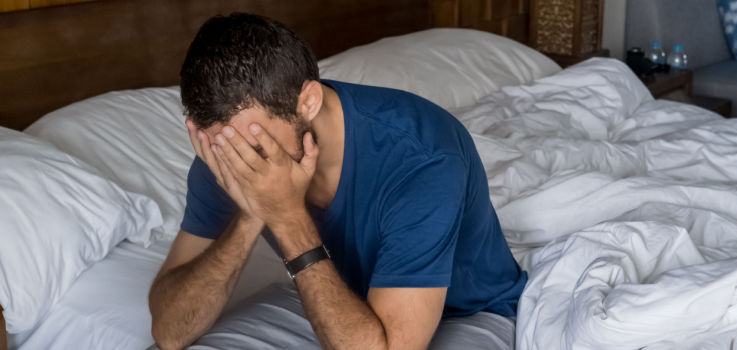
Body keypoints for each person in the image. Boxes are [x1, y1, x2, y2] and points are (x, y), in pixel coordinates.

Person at [148, 13, 527, 350]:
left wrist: (287, 219)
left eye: (257, 145)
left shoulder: (423, 156)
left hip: (465, 312)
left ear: (308, 101)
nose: (241, 162)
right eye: (224, 147)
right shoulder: (227, 152)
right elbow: (169, 333)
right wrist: (251, 214)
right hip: (330, 294)